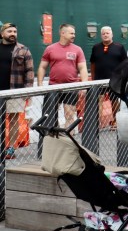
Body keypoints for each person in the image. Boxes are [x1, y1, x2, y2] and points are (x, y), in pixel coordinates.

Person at [37, 23, 88, 128]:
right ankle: (54, 134)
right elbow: (42, 67)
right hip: (53, 86)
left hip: (71, 86)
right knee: (50, 114)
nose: (74, 36)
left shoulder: (77, 49)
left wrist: (84, 85)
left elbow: (83, 68)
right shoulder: (50, 49)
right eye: (71, 33)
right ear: (62, 33)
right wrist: (40, 84)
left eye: (74, 33)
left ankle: (68, 136)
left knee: (69, 114)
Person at [1, 23, 35, 159]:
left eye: (15, 31)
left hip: (15, 91)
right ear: (2, 33)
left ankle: (10, 149)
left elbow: (30, 72)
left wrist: (27, 92)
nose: (13, 34)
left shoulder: (23, 50)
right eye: (9, 31)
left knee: (14, 120)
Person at [90, 26, 127, 123]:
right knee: (98, 101)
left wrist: (122, 77)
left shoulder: (119, 47)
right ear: (101, 35)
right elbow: (92, 63)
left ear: (112, 34)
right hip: (98, 81)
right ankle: (97, 123)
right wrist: (93, 78)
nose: (105, 35)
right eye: (103, 34)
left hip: (114, 80)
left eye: (107, 33)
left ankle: (115, 121)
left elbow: (125, 63)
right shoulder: (95, 47)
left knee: (114, 101)